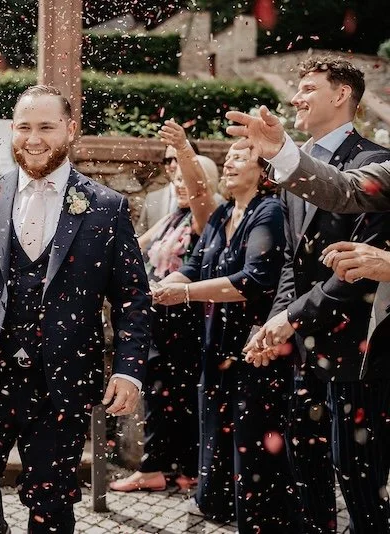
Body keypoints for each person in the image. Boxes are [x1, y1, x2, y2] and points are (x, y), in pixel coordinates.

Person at [0, 85, 152, 533]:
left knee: (52, 498)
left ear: (70, 129)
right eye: (24, 126)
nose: (33, 137)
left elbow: (132, 298)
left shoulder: (106, 207)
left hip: (61, 381)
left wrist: (128, 370)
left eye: (46, 126)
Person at [245, 57, 390, 534]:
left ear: (342, 94)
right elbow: (292, 259)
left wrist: (293, 319)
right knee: (304, 461)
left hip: (358, 351)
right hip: (305, 347)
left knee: (356, 470)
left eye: (308, 87)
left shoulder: (373, 161)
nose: (296, 97)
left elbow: (358, 271)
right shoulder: (295, 165)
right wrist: (277, 322)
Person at [153, 143, 300, 530]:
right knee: (215, 427)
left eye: (240, 157)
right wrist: (165, 284)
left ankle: (261, 517)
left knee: (250, 436)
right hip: (216, 343)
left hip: (256, 346)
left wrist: (184, 293)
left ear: (263, 170)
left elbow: (253, 280)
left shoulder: (268, 212)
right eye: (229, 157)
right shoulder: (221, 215)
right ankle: (218, 506)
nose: (229, 162)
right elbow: (195, 264)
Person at [110, 120, 219, 492]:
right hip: (162, 315)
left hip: (183, 317)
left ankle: (157, 468)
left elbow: (193, 263)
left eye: (187, 180)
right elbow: (136, 246)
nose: (180, 185)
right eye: (176, 180)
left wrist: (160, 287)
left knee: (169, 393)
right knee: (168, 394)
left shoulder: (205, 219)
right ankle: (179, 469)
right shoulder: (174, 217)